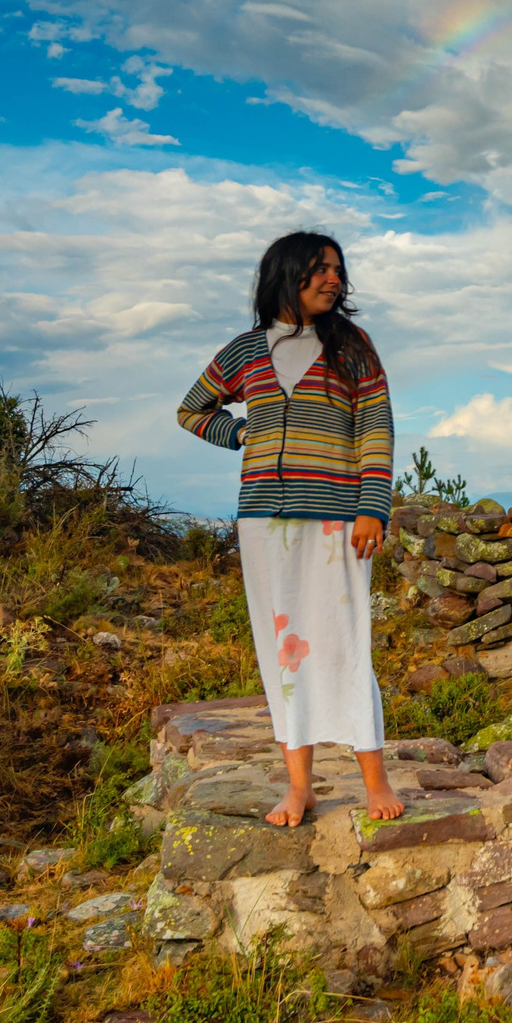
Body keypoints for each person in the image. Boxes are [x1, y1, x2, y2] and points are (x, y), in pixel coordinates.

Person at [176, 231, 404, 827]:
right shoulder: (246, 350)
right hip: (262, 521)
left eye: (337, 270)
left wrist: (372, 506)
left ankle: (374, 779)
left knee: (347, 641)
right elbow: (192, 409)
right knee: (284, 651)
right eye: (320, 269)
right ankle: (298, 787)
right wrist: (241, 433)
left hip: (336, 514)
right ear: (287, 274)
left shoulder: (352, 346)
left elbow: (376, 428)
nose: (334, 279)